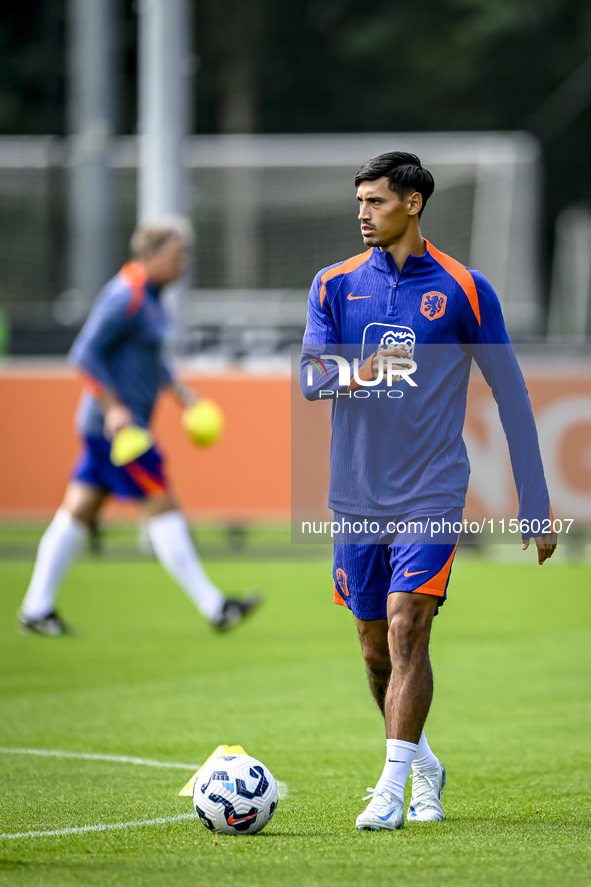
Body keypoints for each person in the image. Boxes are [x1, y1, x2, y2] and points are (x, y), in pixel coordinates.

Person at [300, 152, 556, 831]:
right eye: (359, 201)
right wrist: (363, 369)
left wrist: (534, 503)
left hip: (431, 488)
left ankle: (387, 787)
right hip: (354, 496)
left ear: (412, 204)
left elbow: (511, 393)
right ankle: (420, 764)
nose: (362, 213)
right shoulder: (332, 285)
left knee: (407, 622)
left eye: (376, 202)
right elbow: (309, 377)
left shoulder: (465, 289)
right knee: (372, 645)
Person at [19, 218, 261, 636]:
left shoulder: (151, 297)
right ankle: (215, 607)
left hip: (109, 431)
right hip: (119, 434)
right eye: (176, 256)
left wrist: (179, 391)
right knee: (162, 507)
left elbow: (149, 358)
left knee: (76, 514)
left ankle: (36, 609)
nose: (183, 264)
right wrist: (114, 407)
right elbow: (84, 355)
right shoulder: (125, 296)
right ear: (149, 255)